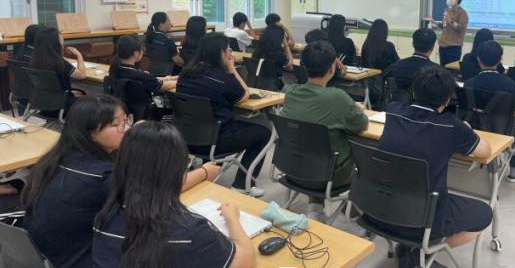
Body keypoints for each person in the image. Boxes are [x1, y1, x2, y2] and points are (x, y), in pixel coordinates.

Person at [22, 96, 221, 268]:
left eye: (126, 121)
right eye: (116, 124)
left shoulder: (55, 159)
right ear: (90, 133)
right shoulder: (103, 177)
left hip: (46, 266)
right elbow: (156, 188)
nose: (126, 129)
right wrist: (205, 172)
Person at [91, 121, 255, 268]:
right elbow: (245, 260)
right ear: (175, 172)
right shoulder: (192, 234)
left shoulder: (104, 218)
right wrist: (233, 219)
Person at [371, 66, 492, 268]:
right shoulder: (451, 126)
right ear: (447, 99)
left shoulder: (393, 111)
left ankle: (411, 246)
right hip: (424, 219)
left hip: (379, 209)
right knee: (484, 214)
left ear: (413, 91)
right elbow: (485, 151)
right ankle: (422, 250)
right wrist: (466, 130)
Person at [280, 41, 368, 221]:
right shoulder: (338, 97)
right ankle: (356, 217)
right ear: (332, 68)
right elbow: (361, 124)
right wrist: (355, 108)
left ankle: (315, 210)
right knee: (362, 164)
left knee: (314, 148)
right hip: (327, 177)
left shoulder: (290, 92)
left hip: (292, 168)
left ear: (303, 66)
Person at [177, 33, 270, 197]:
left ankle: (209, 169)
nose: (230, 54)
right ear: (219, 52)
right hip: (218, 141)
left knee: (215, 119)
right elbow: (245, 94)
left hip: (187, 138)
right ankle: (242, 184)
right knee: (265, 131)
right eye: (228, 50)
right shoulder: (221, 78)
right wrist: (232, 69)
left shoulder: (185, 74)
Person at [464, 41, 515, 182]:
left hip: (475, 132)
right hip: (502, 133)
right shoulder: (508, 83)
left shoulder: (469, 83)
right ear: (499, 60)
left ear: (478, 59)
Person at [30, 27, 87, 114]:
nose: (62, 38)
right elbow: (82, 75)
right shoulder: (59, 63)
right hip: (61, 106)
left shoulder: (35, 61)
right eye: (60, 36)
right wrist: (79, 55)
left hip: (43, 104)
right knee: (88, 96)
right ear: (55, 42)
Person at [109, 34, 177, 95]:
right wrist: (180, 82)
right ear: (136, 54)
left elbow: (151, 80)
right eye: (142, 49)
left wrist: (171, 78)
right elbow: (162, 86)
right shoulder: (139, 76)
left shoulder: (116, 68)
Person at [360, 19, 399, 109]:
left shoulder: (366, 45)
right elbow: (397, 63)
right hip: (384, 85)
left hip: (367, 83)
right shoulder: (389, 46)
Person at [425, 0, 468, 66]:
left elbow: (461, 28)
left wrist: (450, 20)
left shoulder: (462, 13)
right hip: (443, 45)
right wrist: (433, 21)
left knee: (452, 70)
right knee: (443, 69)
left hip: (454, 47)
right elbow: (444, 26)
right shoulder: (447, 11)